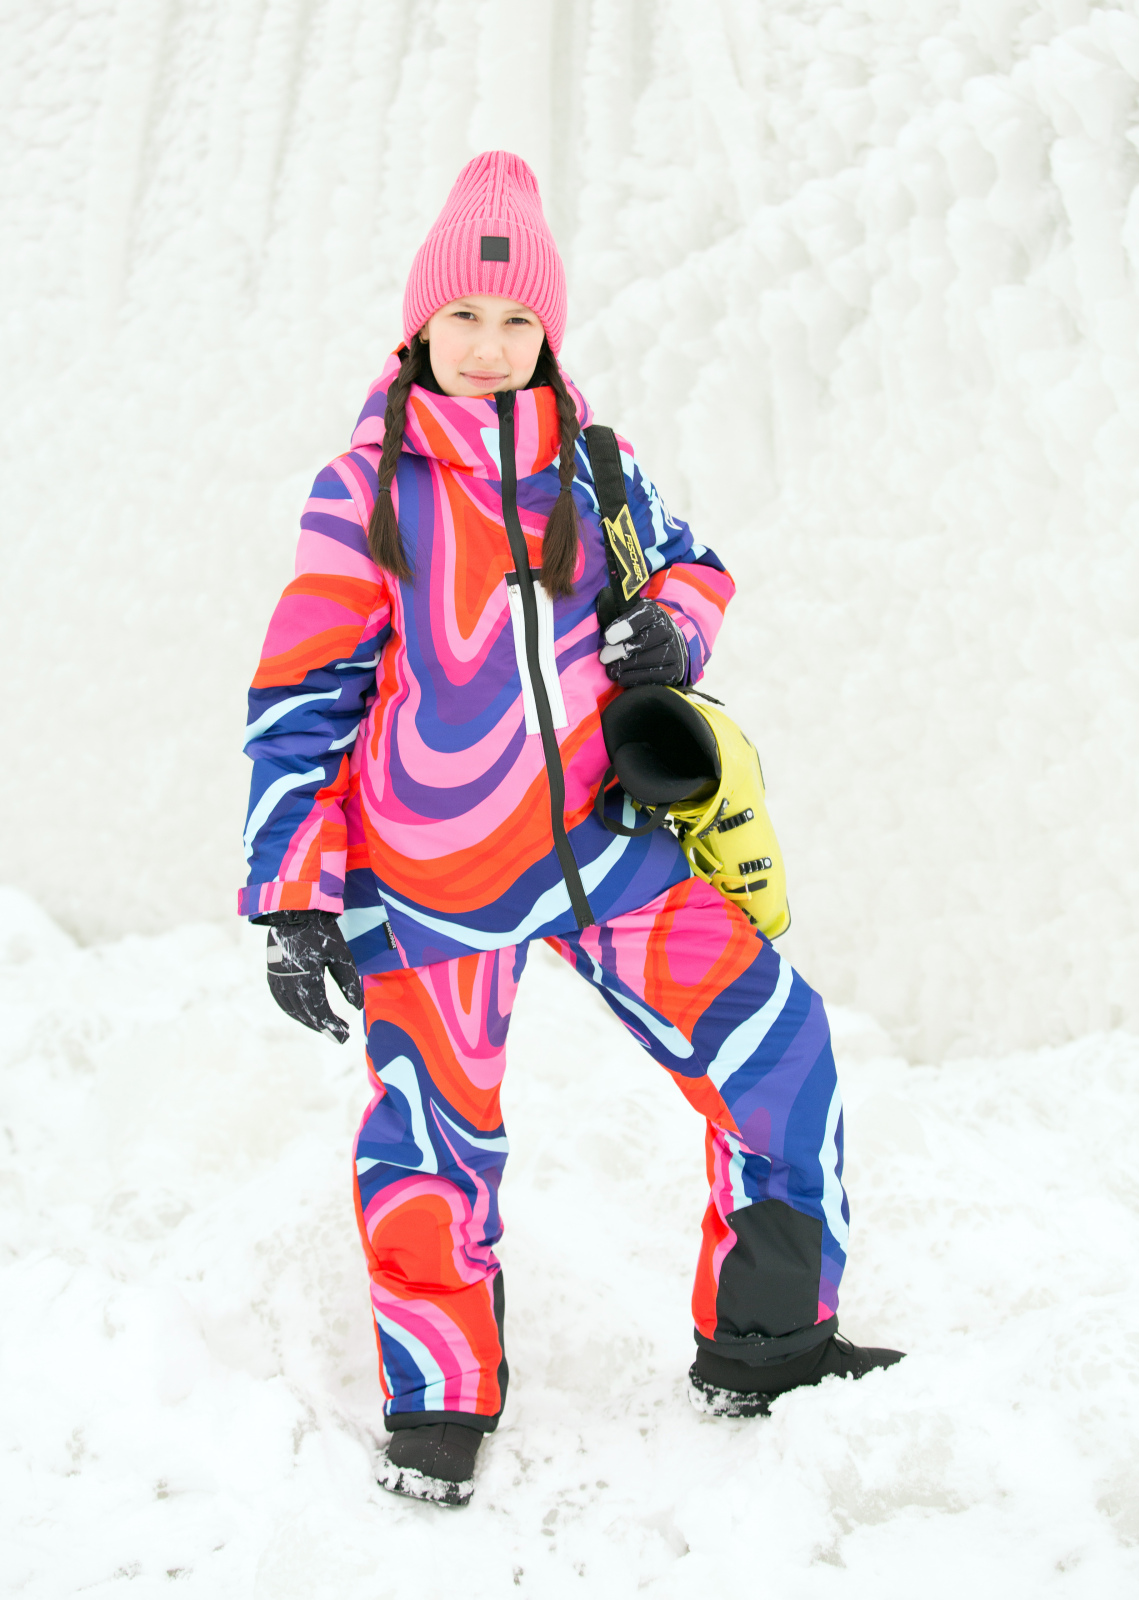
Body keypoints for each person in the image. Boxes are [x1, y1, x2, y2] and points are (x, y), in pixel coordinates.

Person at [240, 151, 901, 1508]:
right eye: (463, 318)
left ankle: (769, 1340)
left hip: (610, 851)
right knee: (432, 1145)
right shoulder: (363, 490)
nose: (489, 346)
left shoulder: (596, 465)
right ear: (419, 325)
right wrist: (295, 892)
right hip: (429, 879)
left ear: (548, 331)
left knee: (781, 1046)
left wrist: (672, 629)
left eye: (516, 320)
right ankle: (440, 1402)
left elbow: (696, 570)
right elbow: (301, 696)